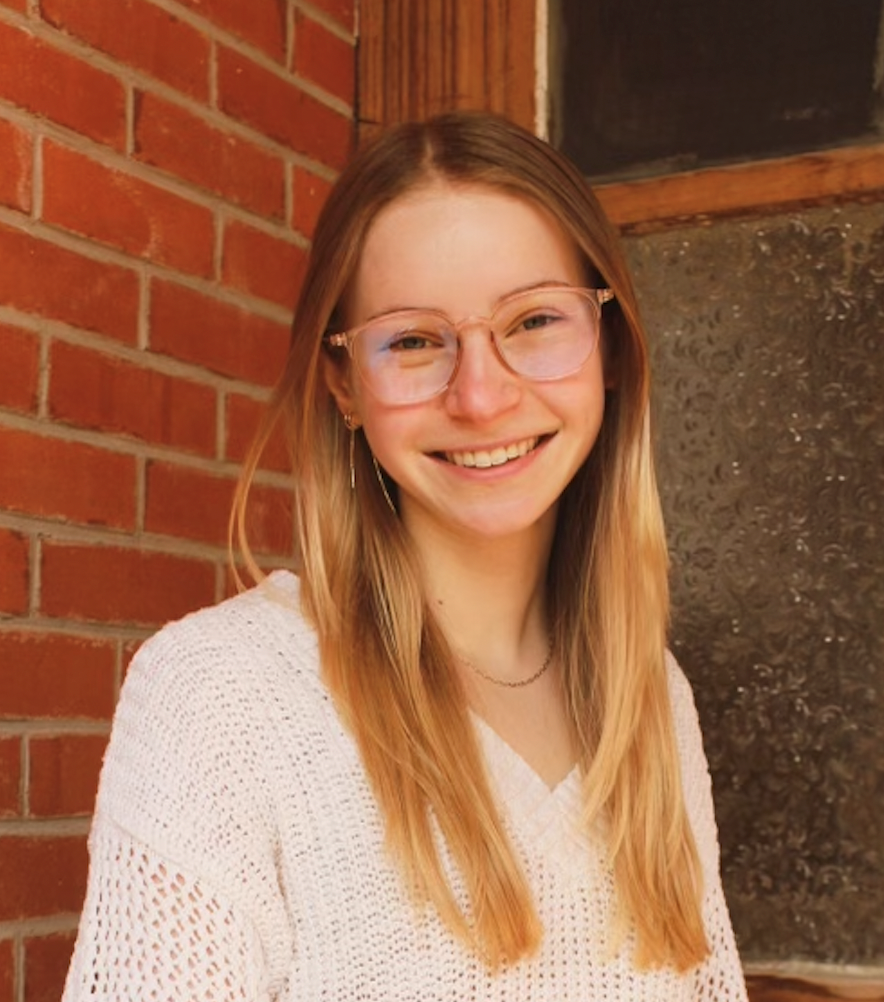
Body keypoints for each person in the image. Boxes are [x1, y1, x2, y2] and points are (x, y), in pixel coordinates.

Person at [63, 111, 748, 1001]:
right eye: (416, 340)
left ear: (608, 346)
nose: (482, 392)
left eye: (535, 319)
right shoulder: (222, 697)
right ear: (345, 384)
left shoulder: (653, 695)